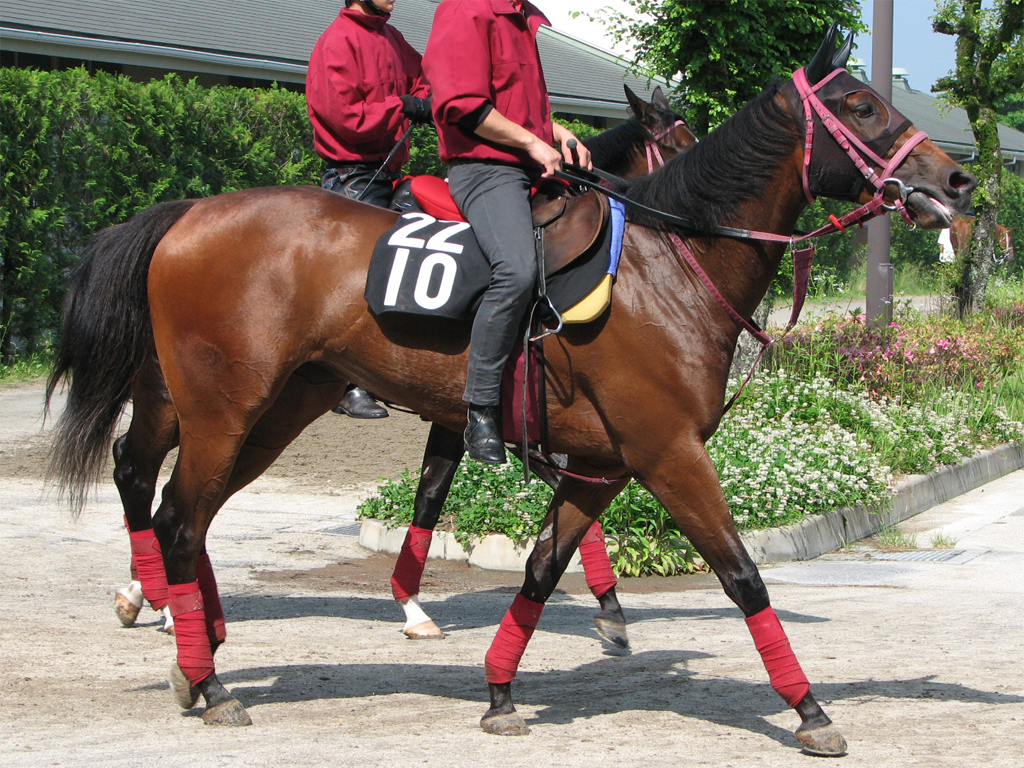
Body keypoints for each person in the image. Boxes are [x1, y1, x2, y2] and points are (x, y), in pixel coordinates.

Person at [423, 0, 591, 463]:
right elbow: (463, 105)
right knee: (515, 271)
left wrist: (557, 133)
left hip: (530, 167)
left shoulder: (521, 15)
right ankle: (480, 410)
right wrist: (534, 142)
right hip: (485, 171)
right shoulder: (465, 9)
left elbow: (519, 109)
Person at [306, 0, 431, 417]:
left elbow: (426, 79)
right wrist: (403, 105)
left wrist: (423, 99)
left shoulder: (392, 37)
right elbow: (345, 119)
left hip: (389, 172)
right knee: (357, 277)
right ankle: (346, 383)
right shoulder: (337, 41)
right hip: (351, 175)